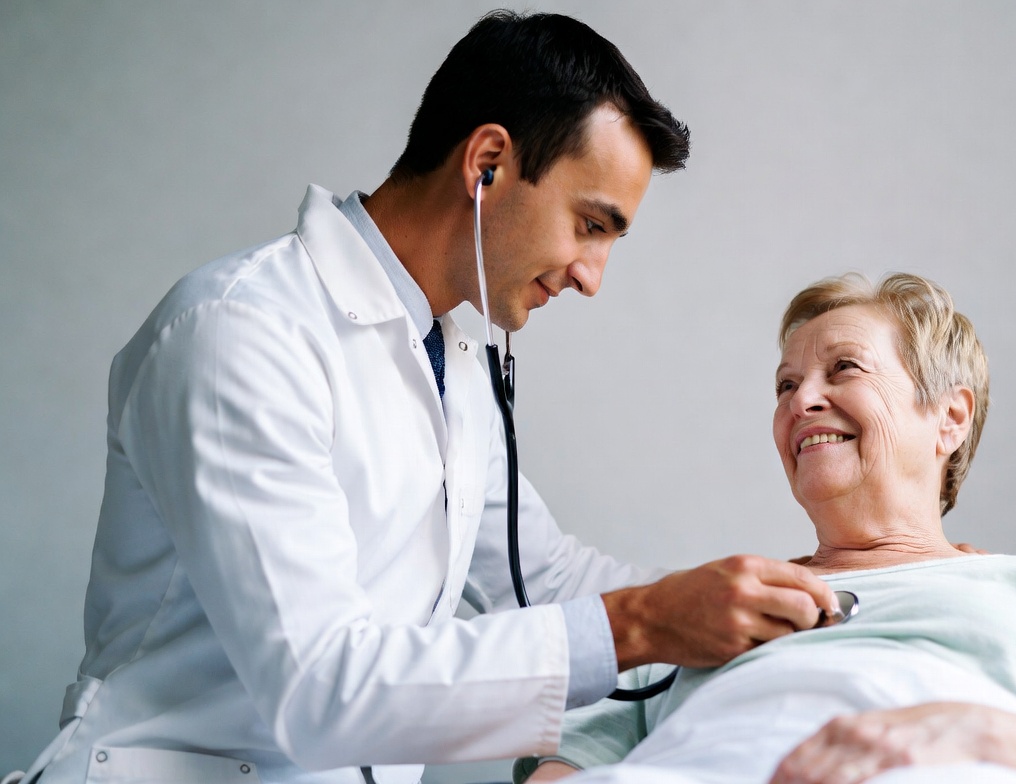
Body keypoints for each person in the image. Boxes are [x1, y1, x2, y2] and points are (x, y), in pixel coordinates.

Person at [17, 11, 842, 784]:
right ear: (487, 164)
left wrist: (777, 598)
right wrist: (644, 623)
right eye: (591, 226)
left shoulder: (452, 360)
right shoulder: (241, 331)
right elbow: (320, 687)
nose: (592, 277)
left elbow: (544, 578)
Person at [516, 273, 1016, 784]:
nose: (800, 401)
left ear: (950, 417)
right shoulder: (695, 608)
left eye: (844, 368)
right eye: (785, 385)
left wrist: (977, 733)